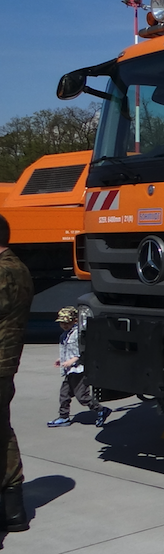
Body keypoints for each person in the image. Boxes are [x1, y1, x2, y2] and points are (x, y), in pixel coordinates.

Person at [0, 213, 33, 532]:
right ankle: (13, 509)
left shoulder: (3, 271)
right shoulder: (20, 268)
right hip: (7, 363)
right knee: (3, 431)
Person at [48, 306, 111, 429]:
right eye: (62, 323)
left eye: (67, 322)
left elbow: (83, 351)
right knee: (64, 394)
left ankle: (101, 410)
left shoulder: (78, 334)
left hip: (78, 370)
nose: (64, 325)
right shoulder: (64, 335)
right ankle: (64, 417)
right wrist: (61, 359)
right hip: (69, 371)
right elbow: (67, 351)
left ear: (75, 321)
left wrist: (72, 360)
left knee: (82, 396)